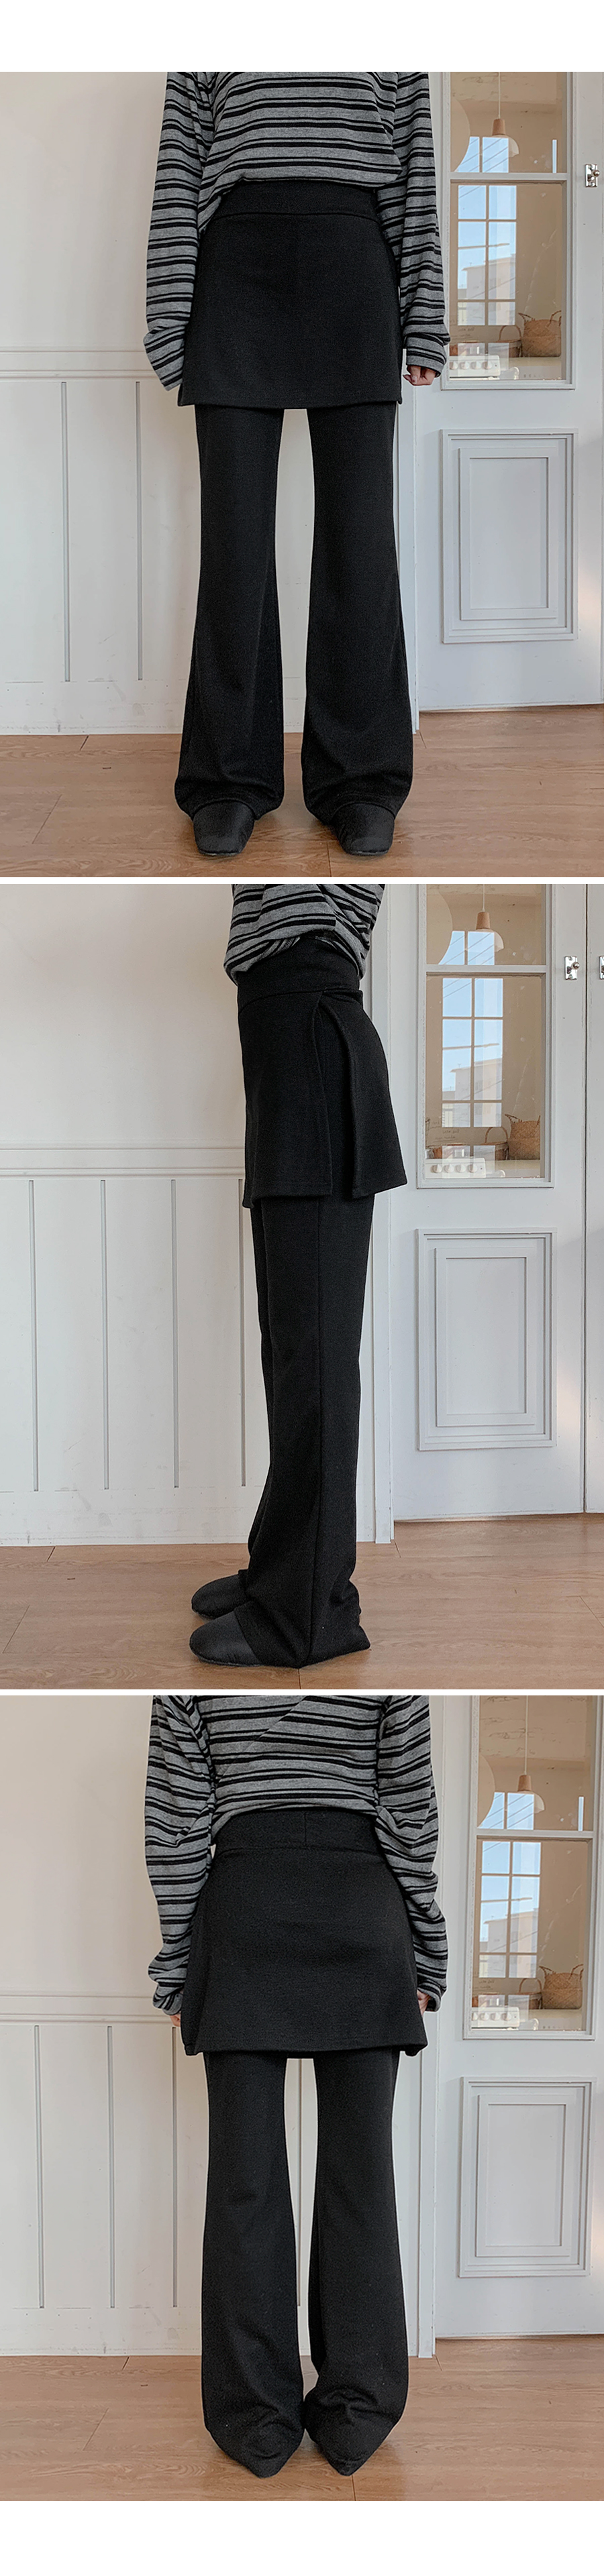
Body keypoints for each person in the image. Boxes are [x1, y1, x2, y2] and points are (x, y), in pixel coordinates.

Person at [145, 1689, 448, 2480]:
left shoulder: (194, 1669)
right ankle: (356, 2410)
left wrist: (178, 1962)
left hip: (245, 1907)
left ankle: (256, 2418)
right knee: (361, 2180)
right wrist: (427, 1946)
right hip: (362, 1906)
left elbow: (176, 1822)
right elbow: (410, 1809)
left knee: (243, 2184)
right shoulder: (390, 1664)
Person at [144, 73, 448, 859]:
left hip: (356, 270)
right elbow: (180, 173)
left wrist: (425, 319)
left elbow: (415, 176)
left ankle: (361, 780)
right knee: (235, 547)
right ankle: (228, 780)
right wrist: (169, 318)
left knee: (361, 545)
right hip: (236, 272)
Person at [189, 881, 405, 1670]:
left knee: (313, 1363)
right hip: (286, 1047)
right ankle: (281, 1572)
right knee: (290, 1356)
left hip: (312, 1029)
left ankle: (308, 1617)